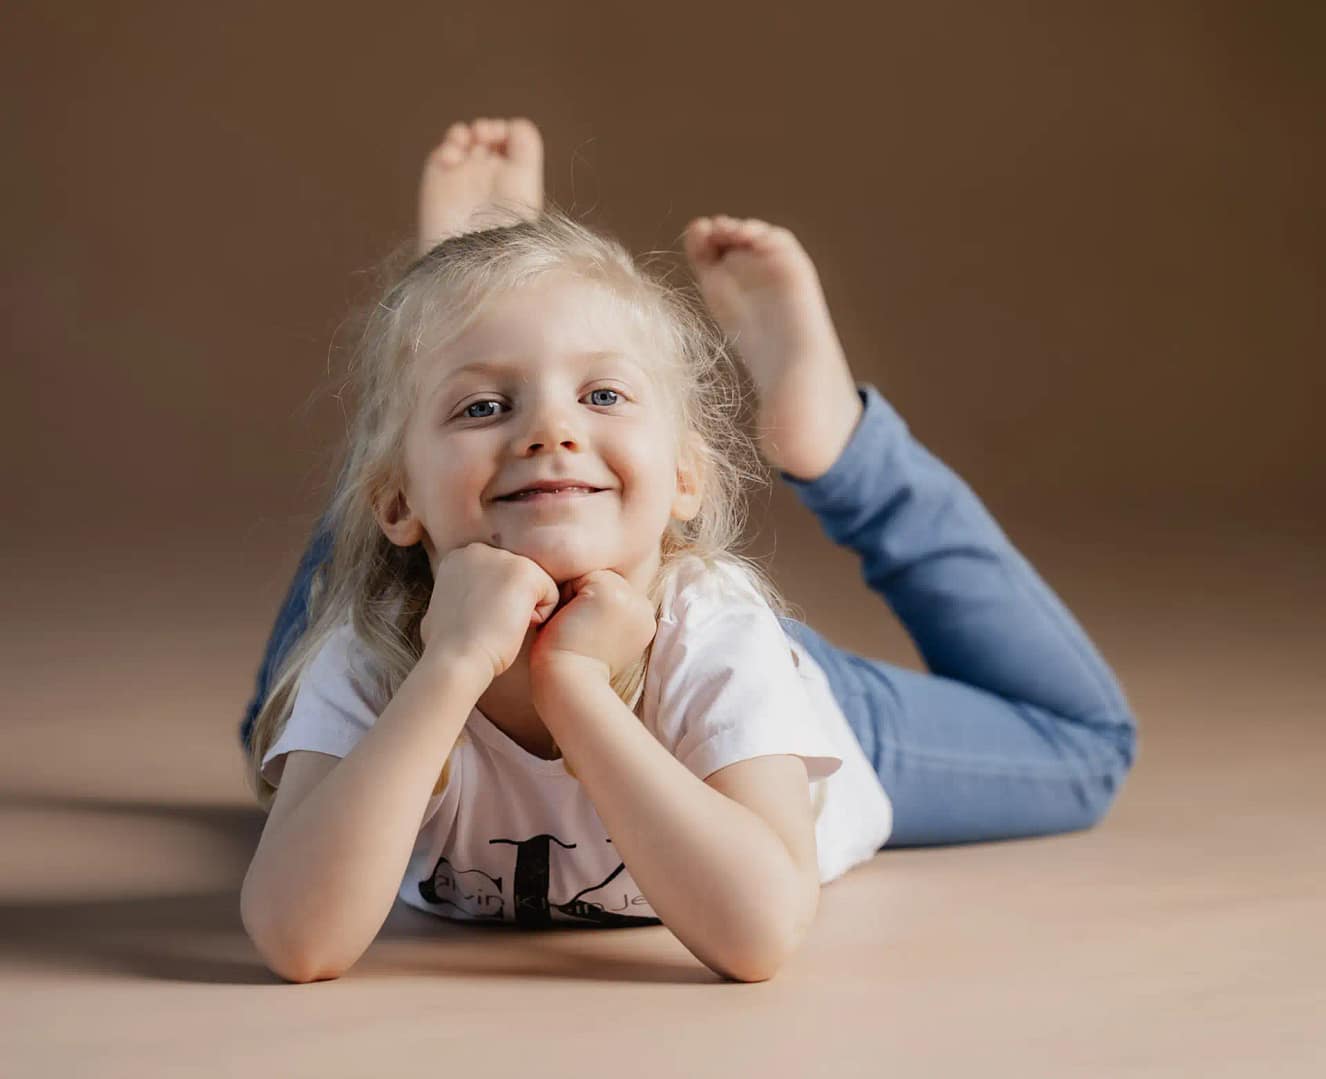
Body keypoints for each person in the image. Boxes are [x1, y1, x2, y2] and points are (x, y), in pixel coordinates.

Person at [239, 117, 1137, 984]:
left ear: (683, 477)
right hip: (416, 590)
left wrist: (576, 688)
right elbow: (298, 938)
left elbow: (756, 934)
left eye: (601, 394)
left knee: (1086, 749)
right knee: (295, 709)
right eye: (485, 404)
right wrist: (453, 663)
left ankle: (841, 444)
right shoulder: (380, 654)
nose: (552, 427)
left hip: (769, 714)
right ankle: (469, 290)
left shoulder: (721, 636)